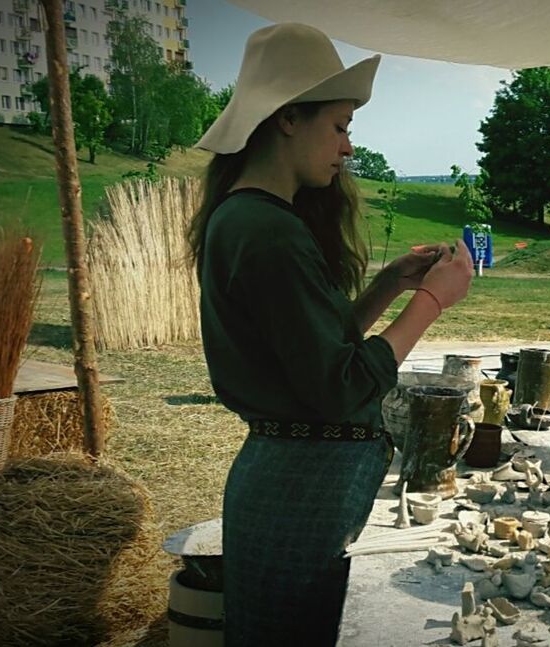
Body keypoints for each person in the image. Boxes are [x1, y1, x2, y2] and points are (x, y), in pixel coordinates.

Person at [188, 23, 474, 645]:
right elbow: (340, 384)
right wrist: (431, 302)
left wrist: (388, 286)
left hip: (291, 480)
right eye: (340, 126)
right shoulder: (266, 230)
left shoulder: (253, 217)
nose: (348, 147)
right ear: (289, 119)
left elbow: (309, 351)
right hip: (298, 492)